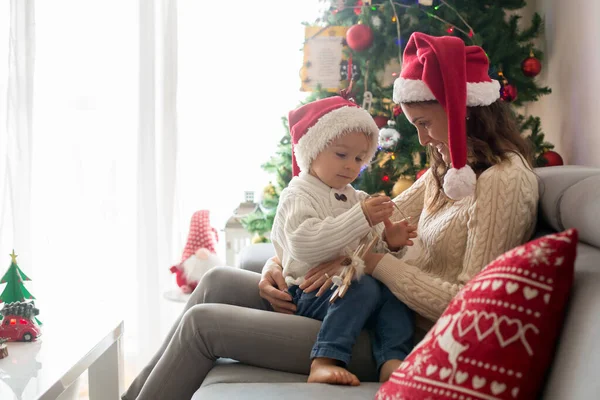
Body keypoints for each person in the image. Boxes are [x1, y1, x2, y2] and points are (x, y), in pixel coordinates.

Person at [122, 32, 539, 400]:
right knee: (216, 279)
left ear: (464, 108)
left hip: (393, 335)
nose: (423, 138)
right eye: (415, 126)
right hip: (353, 296)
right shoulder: (446, 171)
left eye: (426, 123)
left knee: (201, 324)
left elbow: (467, 306)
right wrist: (279, 262)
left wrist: (373, 264)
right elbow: (371, 217)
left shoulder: (502, 182)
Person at [272, 96, 417, 386]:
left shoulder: (355, 197)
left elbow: (367, 249)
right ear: (313, 151)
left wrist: (390, 242)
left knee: (393, 295)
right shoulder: (298, 194)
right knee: (361, 287)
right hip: (308, 289)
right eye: (341, 154)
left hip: (347, 284)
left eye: (359, 158)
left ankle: (393, 362)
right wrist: (360, 217)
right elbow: (304, 242)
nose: (351, 166)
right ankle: (325, 359)